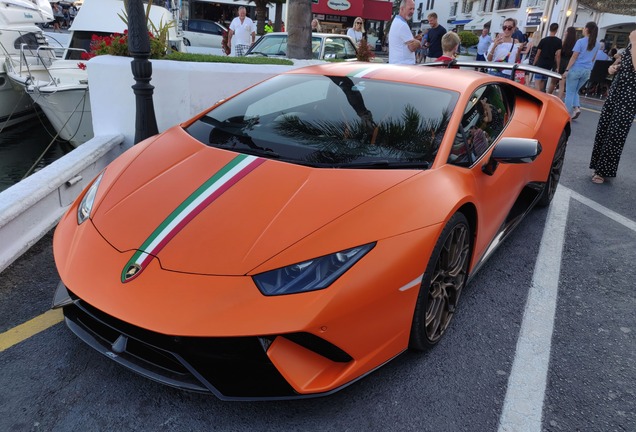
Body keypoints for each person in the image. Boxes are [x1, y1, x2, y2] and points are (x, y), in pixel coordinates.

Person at [588, 30, 636, 184]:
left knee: (616, 131)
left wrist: (634, 41)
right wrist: (612, 69)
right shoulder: (631, 45)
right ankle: (598, 166)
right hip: (617, 89)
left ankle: (603, 171)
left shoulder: (634, 42)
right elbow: (617, 63)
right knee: (604, 126)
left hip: (630, 94)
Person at [563, 21, 600, 119]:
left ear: (587, 29)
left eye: (584, 28)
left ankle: (566, 113)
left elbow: (574, 56)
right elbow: (593, 58)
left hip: (576, 69)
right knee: (575, 91)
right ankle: (576, 109)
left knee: (570, 92)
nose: (583, 29)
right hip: (587, 70)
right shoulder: (597, 44)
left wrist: (567, 70)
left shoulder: (580, 41)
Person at [388, 0, 421, 65]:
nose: (412, 11)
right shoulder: (402, 25)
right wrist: (418, 42)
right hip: (404, 66)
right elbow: (412, 47)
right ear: (402, 9)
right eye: (410, 9)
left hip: (397, 65)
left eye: (413, 9)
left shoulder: (397, 21)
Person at [533, 23, 562, 93]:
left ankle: (538, 95)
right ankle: (542, 94)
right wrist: (558, 66)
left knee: (537, 81)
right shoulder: (558, 41)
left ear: (549, 29)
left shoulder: (543, 40)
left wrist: (534, 63)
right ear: (557, 30)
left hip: (541, 62)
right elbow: (558, 55)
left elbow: (538, 53)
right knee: (543, 80)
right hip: (549, 63)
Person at [556, 26, 576, 100]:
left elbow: (559, 54)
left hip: (563, 63)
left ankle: (558, 99)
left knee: (561, 84)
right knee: (568, 85)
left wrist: (558, 66)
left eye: (566, 31)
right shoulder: (575, 43)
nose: (565, 33)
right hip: (571, 64)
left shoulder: (563, 42)